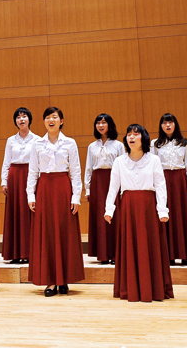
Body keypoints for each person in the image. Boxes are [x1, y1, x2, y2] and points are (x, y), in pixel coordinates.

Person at [105, 124, 173, 302]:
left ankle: (153, 288)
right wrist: (109, 209)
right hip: (128, 207)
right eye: (128, 134)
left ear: (143, 138)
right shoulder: (119, 161)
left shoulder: (153, 160)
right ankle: (131, 289)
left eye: (135, 134)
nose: (131, 137)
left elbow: (160, 186)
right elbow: (113, 187)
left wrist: (162, 209)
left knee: (149, 246)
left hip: (148, 207)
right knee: (130, 246)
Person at [27, 107, 85, 297]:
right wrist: (31, 195)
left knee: (64, 233)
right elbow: (33, 172)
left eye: (54, 117)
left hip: (62, 189)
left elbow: (76, 172)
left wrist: (76, 197)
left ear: (61, 121)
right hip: (44, 189)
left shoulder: (70, 143)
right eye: (47, 118)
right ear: (43, 121)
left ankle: (64, 278)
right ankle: (51, 281)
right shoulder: (37, 144)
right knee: (47, 233)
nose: (51, 120)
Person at [151, 113, 187, 265]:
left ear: (175, 124)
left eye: (170, 122)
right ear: (161, 126)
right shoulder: (155, 143)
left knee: (182, 215)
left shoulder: (185, 143)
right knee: (166, 215)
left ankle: (185, 254)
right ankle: (169, 255)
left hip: (180, 181)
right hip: (163, 180)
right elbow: (152, 166)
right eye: (164, 123)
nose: (168, 125)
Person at [1, 107, 41, 264]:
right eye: (18, 117)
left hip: (30, 175)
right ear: (15, 121)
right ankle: (16, 253)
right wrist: (4, 181)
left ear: (29, 119)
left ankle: (30, 253)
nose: (21, 119)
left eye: (24, 116)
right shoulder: (11, 140)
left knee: (30, 213)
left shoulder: (37, 139)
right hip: (14, 177)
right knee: (15, 213)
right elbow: (6, 162)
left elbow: (39, 162)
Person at [84, 113, 124, 265]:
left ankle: (115, 253)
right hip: (97, 182)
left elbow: (123, 166)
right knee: (100, 217)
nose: (100, 125)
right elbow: (88, 168)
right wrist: (88, 189)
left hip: (113, 180)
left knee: (115, 216)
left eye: (103, 122)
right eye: (98, 123)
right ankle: (103, 254)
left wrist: (122, 188)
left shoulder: (119, 145)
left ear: (110, 125)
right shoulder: (92, 146)